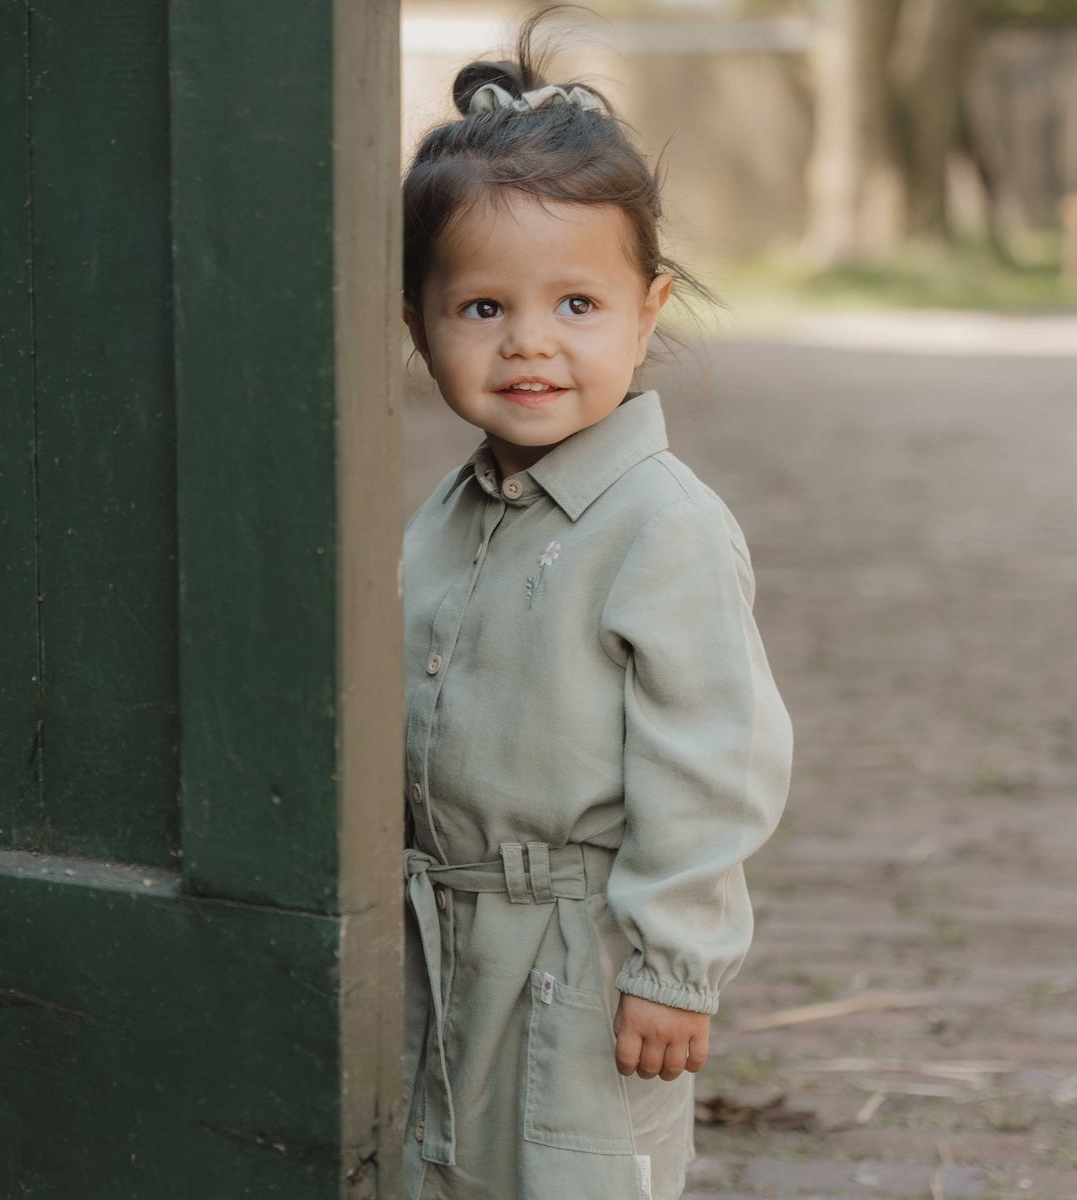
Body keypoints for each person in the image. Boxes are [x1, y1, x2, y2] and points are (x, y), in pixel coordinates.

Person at [400, 14, 793, 1200]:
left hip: (585, 953)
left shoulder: (663, 527)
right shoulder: (441, 516)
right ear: (419, 320)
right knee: (438, 1165)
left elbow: (714, 758)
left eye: (578, 305)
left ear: (647, 306)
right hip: (442, 936)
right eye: (482, 309)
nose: (531, 345)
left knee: (575, 1173)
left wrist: (676, 967)